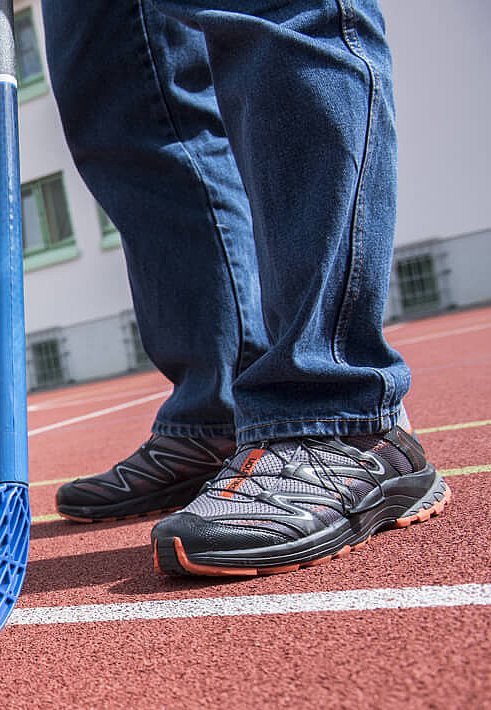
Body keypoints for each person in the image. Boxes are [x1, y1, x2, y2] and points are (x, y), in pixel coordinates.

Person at [41, 0, 450, 575]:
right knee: (121, 98)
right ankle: (215, 418)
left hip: (344, 414)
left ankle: (342, 416)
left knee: (273, 15)